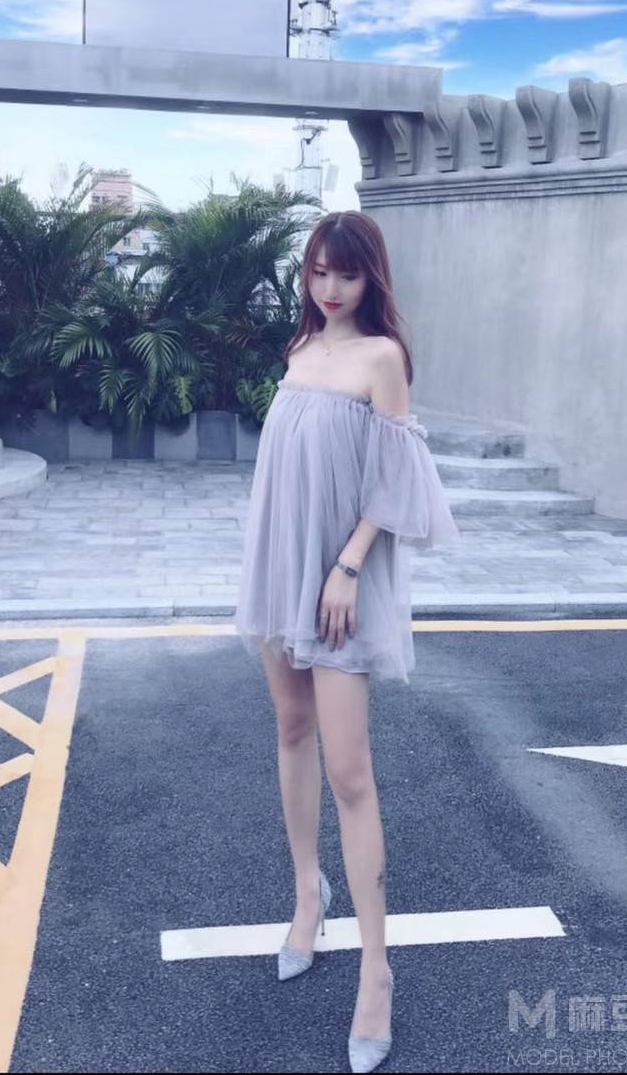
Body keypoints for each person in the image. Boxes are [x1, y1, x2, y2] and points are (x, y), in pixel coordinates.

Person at [232, 210, 460, 1073]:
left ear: (372, 277)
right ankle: (307, 894)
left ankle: (376, 971)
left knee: (350, 772)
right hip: (279, 567)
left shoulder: (381, 358)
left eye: (347, 273)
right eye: (319, 271)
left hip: (338, 583)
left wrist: (348, 567)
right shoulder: (299, 351)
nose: (330, 288)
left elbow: (396, 480)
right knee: (290, 731)